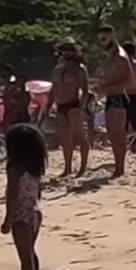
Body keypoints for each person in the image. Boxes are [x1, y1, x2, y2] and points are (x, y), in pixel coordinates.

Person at [1, 123, 47, 270]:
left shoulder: (14, 168)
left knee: (24, 256)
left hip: (21, 214)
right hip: (35, 211)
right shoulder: (35, 167)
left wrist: (8, 219)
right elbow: (38, 192)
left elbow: (12, 193)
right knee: (30, 252)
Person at [96, 24, 136, 178]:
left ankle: (120, 169)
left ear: (112, 37)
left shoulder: (120, 56)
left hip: (118, 98)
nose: (102, 42)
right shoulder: (111, 56)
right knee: (113, 135)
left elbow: (128, 81)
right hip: (112, 97)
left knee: (118, 136)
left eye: (104, 39)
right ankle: (118, 167)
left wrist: (105, 88)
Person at [49, 39, 91, 178]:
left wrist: (81, 107)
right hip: (60, 105)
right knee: (65, 139)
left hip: (74, 104)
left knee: (79, 137)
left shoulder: (80, 69)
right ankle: (68, 168)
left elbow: (85, 90)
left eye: (69, 49)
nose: (67, 52)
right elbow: (53, 89)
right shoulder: (57, 69)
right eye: (64, 49)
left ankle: (83, 167)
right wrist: (49, 105)